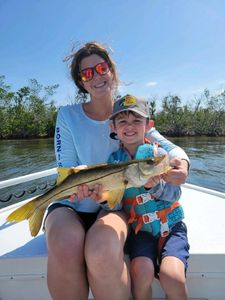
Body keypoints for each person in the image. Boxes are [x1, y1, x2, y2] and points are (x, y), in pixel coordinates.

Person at [44, 41, 189, 300]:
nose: (96, 76)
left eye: (102, 67)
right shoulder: (67, 115)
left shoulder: (128, 114)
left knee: (102, 251)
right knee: (66, 246)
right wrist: (82, 189)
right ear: (80, 81)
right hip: (71, 201)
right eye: (87, 73)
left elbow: (172, 150)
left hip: (111, 205)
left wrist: (183, 166)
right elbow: (65, 169)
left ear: (111, 70)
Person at [108, 94, 189, 300]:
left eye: (137, 120)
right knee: (140, 273)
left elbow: (175, 193)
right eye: (122, 121)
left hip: (172, 227)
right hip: (140, 232)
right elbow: (115, 205)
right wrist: (102, 198)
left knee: (173, 277)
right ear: (113, 128)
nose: (130, 126)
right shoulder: (112, 162)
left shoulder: (159, 154)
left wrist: (156, 187)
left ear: (148, 125)